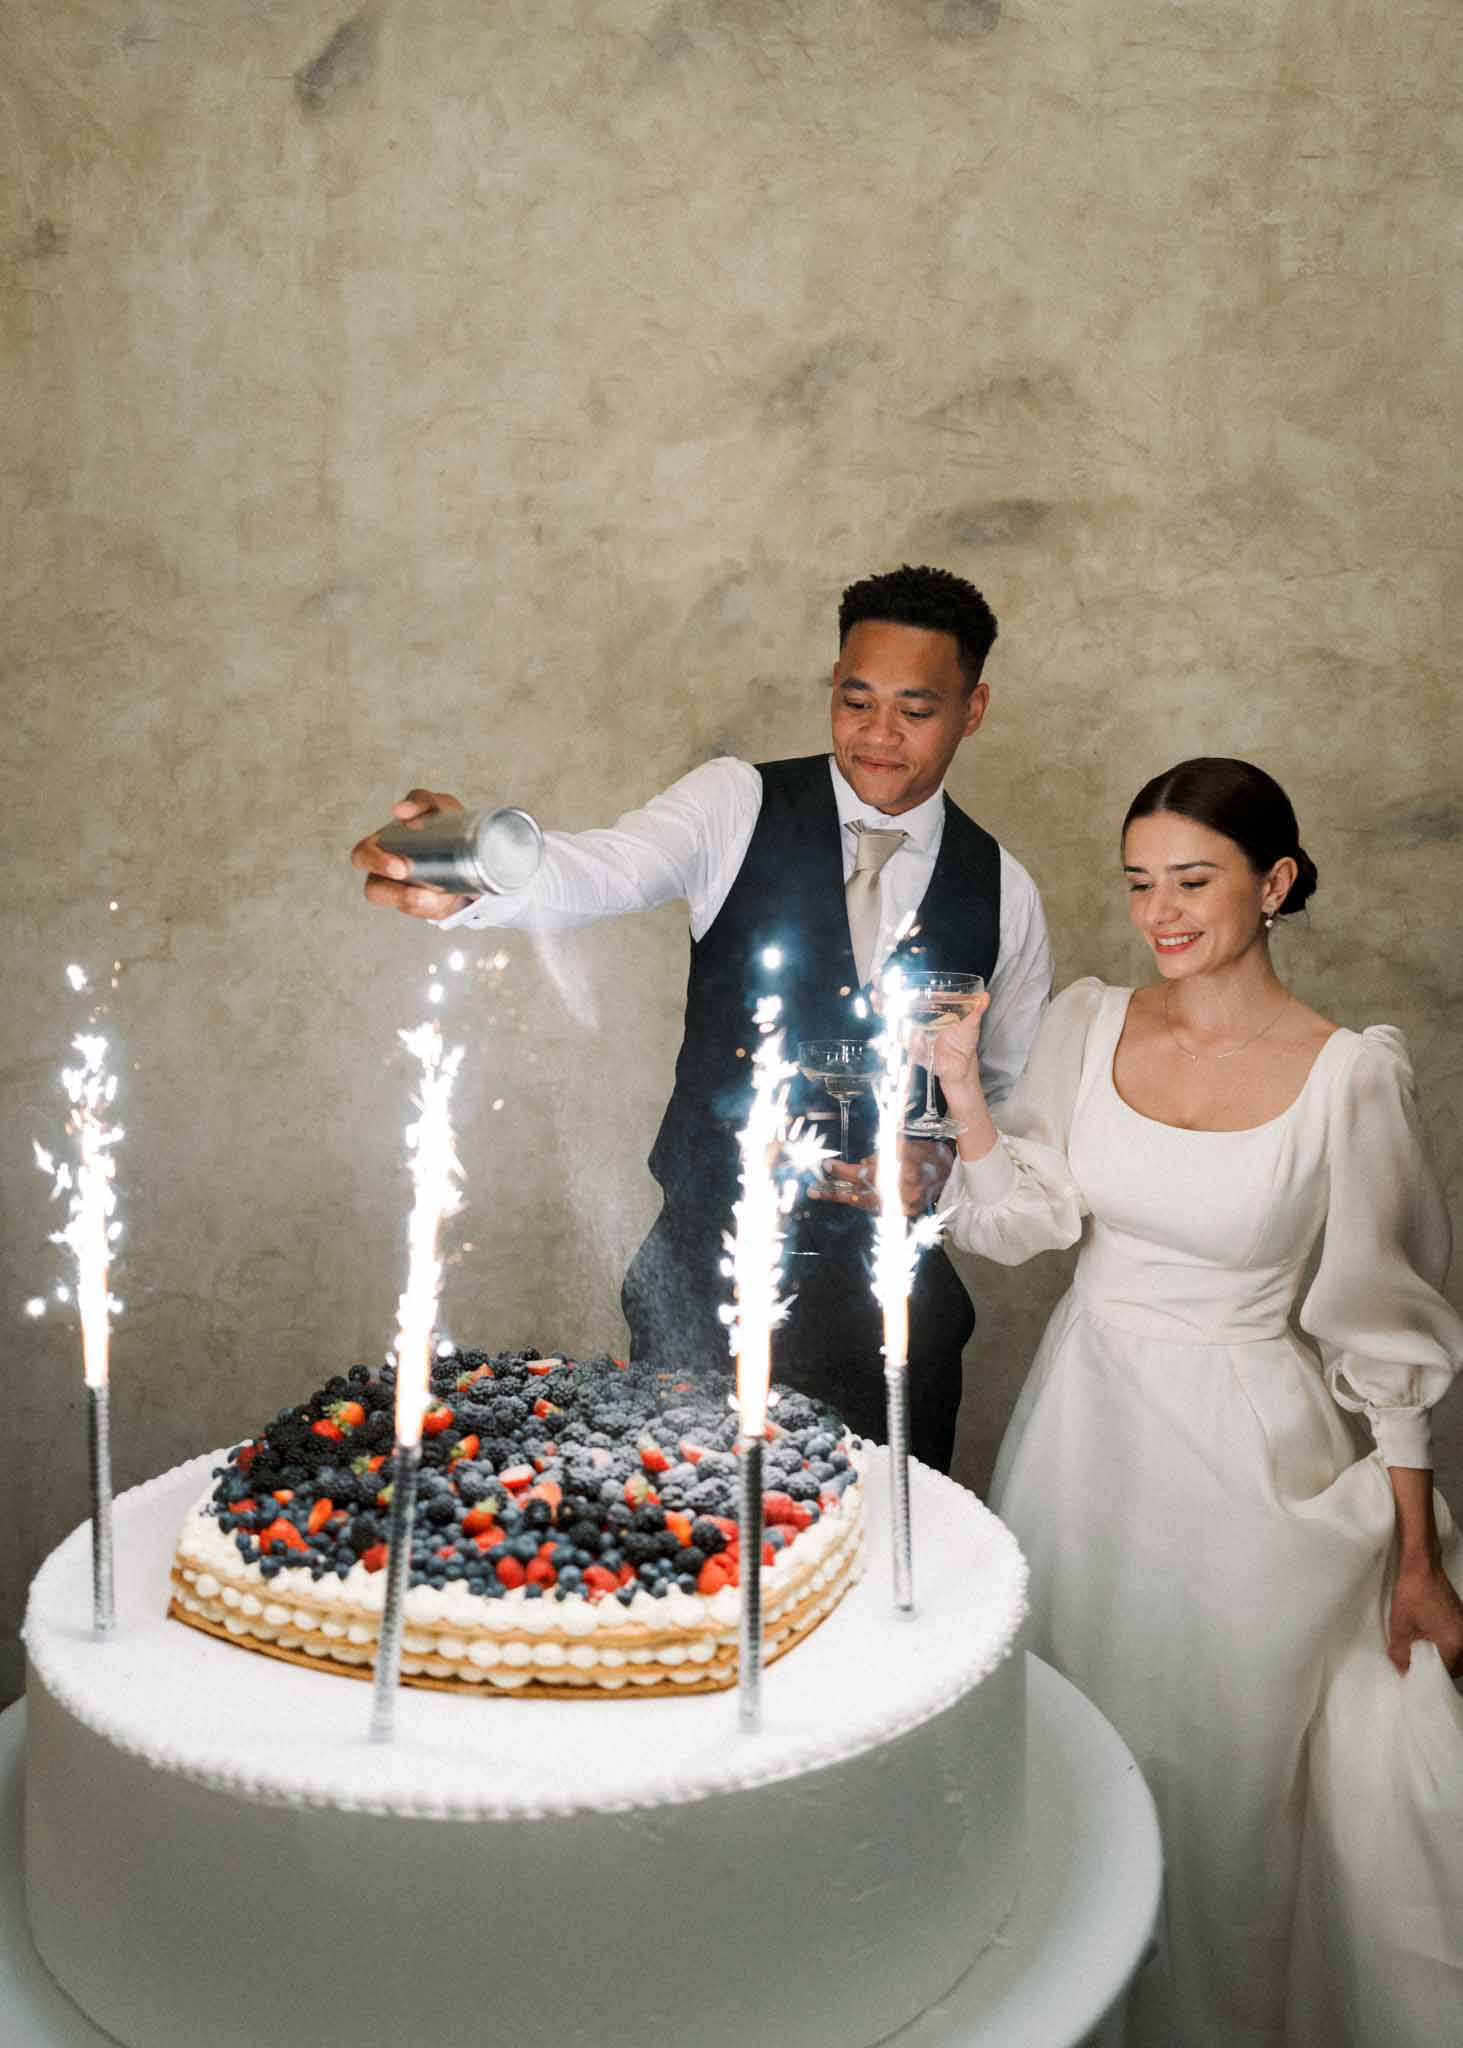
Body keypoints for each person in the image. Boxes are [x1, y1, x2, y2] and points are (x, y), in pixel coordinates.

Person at [927, 756, 1463, 2047]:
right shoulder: (1088, 1023)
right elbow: (1022, 1224)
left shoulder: (1348, 1076)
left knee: (1218, 1790)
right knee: (1066, 1750)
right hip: (1082, 1434)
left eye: (1191, 880)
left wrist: (1411, 1551)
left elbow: (1378, 1322)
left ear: (1271, 884)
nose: (1158, 913)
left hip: (1245, 1463)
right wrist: (958, 1092)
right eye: (1136, 884)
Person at [350, 565, 1050, 1471]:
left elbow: (1007, 1107)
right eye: (854, 700)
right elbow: (599, 869)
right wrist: (479, 861)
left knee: (875, 1581)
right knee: (685, 1574)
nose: (877, 736)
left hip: (896, 1321)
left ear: (974, 708)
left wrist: (943, 1162)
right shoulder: (736, 802)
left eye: (915, 711)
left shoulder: (1007, 890)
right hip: (701, 1298)